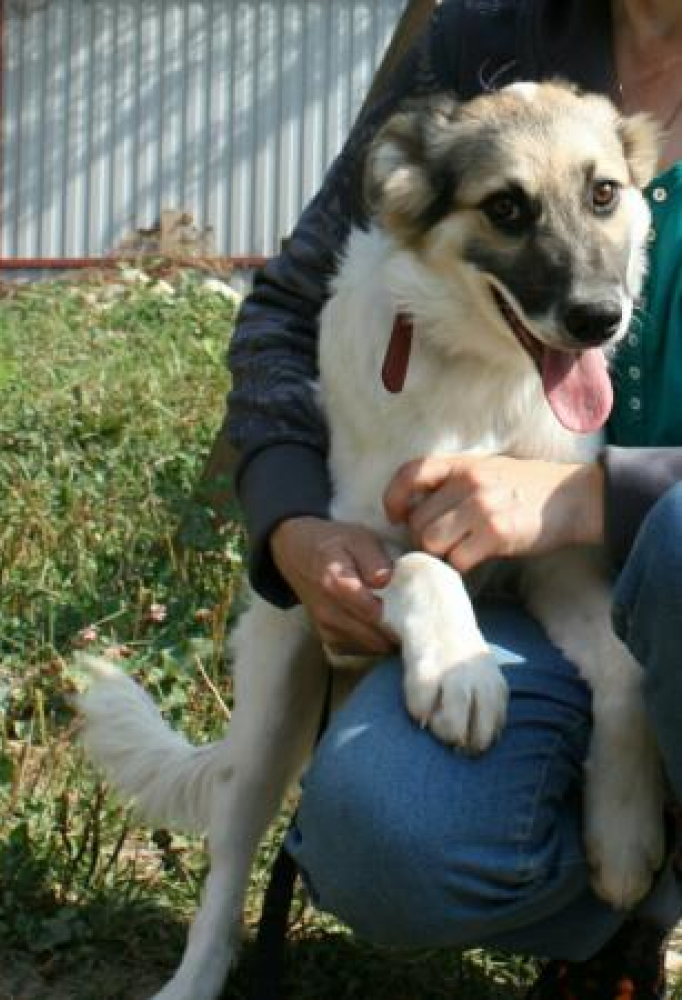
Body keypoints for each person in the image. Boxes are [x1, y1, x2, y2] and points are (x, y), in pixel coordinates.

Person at [223, 1, 682, 996]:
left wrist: (594, 498)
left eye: (606, 196)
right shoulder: (481, 40)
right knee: (383, 833)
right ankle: (612, 928)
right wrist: (293, 523)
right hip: (547, 604)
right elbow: (290, 307)